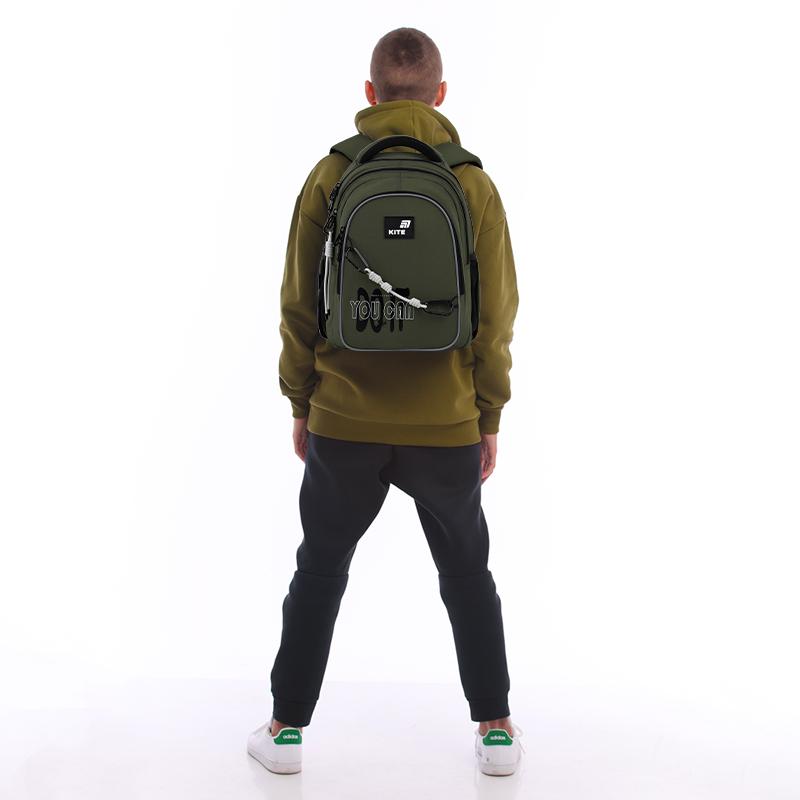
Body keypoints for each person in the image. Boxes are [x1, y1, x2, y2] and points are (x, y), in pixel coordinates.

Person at [247, 27, 523, 776]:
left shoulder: (332, 173)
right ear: (441, 95)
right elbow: (497, 317)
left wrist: (301, 401)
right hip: (446, 420)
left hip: (345, 417)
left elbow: (297, 304)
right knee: (467, 575)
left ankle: (284, 732)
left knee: (319, 570)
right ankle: (497, 730)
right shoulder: (471, 183)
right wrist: (487, 415)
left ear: (370, 94)